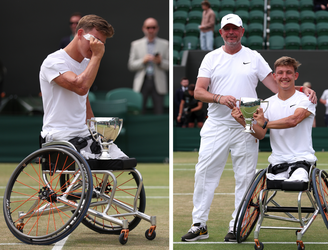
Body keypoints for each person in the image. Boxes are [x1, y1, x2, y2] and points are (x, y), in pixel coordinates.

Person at [180, 13, 316, 243]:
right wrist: (219, 98)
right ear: (221, 32)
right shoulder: (211, 58)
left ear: (242, 32)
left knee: (244, 178)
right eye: (227, 29)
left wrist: (302, 88)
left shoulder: (254, 57)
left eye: (235, 29)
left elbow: (278, 84)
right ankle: (199, 225)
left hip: (247, 124)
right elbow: (199, 91)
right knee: (204, 174)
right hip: (216, 125)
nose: (231, 32)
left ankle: (237, 225)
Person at [40, 14, 127, 159]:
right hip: (59, 135)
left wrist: (95, 132)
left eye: (101, 44)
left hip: (84, 134)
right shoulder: (53, 61)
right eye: (94, 40)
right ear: (80, 33)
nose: (96, 47)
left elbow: (84, 102)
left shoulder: (87, 63)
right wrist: (97, 57)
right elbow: (80, 87)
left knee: (124, 162)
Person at [231, 56, 317, 183]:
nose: (284, 76)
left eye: (289, 72)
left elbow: (293, 120)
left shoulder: (306, 99)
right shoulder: (267, 103)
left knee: (295, 182)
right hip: (277, 163)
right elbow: (260, 134)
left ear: (296, 76)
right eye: (280, 73)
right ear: (275, 76)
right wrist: (243, 121)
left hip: (302, 161)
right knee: (252, 180)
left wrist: (266, 123)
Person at [128, 17, 169, 115]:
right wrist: (143, 61)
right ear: (143, 28)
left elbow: (169, 65)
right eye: (148, 27)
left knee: (159, 112)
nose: (151, 30)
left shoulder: (165, 44)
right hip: (142, 81)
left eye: (153, 27)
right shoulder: (135, 44)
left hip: (158, 81)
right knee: (138, 111)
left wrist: (160, 62)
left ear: (157, 28)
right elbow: (131, 65)